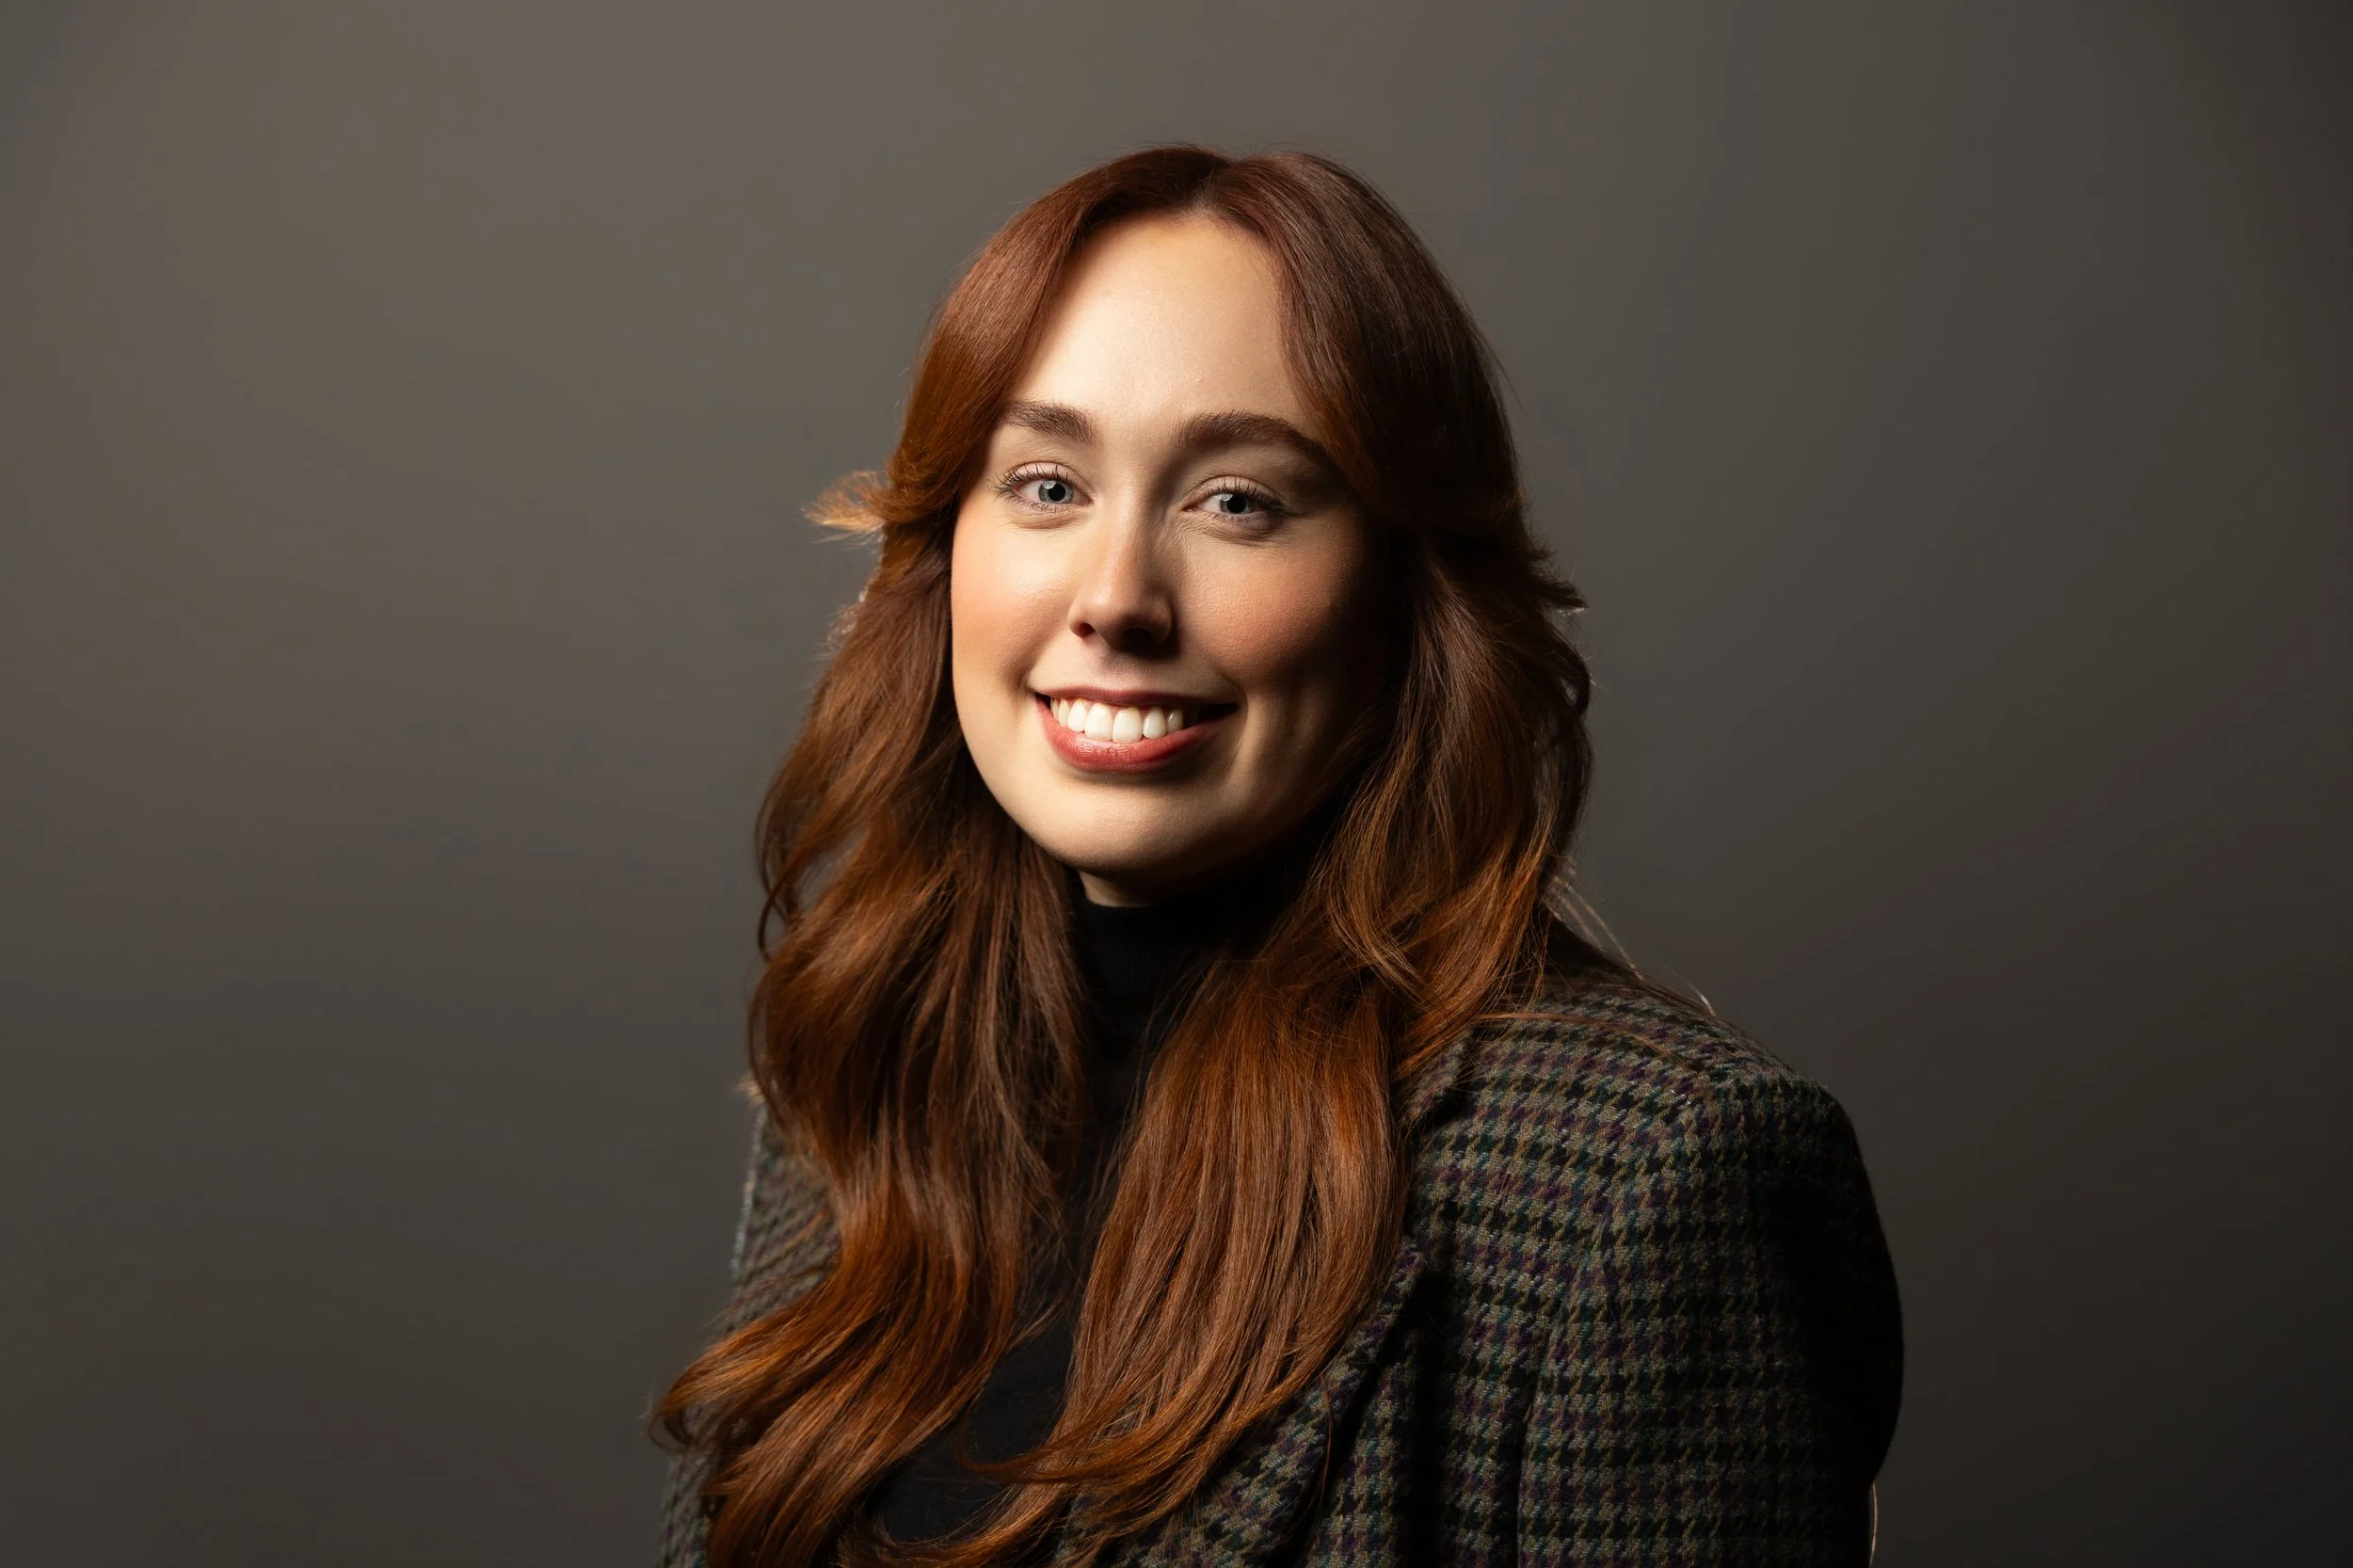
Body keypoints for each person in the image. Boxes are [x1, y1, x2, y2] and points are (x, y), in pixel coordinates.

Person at [654, 146, 1900, 1568]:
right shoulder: (860, 1089)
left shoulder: (1651, 1179)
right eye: (1048, 484)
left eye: (1237, 501)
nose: (1116, 598)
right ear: (945, 554)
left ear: (1405, 594)